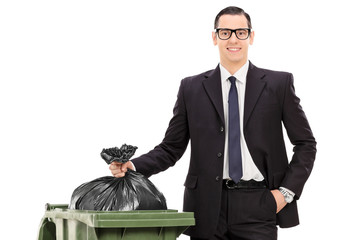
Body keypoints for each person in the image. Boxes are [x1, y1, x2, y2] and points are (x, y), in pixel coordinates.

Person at [109, 6, 316, 240]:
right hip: (206, 206)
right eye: (225, 32)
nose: (233, 39)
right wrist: (134, 166)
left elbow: (306, 143)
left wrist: (285, 193)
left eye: (241, 32)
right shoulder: (191, 88)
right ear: (215, 37)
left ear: (251, 36)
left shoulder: (279, 84)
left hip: (259, 203)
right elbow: (171, 147)